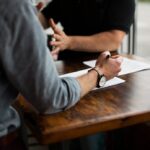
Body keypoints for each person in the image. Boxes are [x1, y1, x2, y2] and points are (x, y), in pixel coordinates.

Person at [0, 0, 123, 149]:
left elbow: (114, 39)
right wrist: (100, 73)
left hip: (103, 79)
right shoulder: (15, 6)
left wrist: (28, 17)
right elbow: (53, 97)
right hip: (72, 76)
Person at [38, 0, 135, 60]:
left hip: (102, 64)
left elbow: (113, 40)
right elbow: (44, 19)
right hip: (67, 63)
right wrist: (26, 14)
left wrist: (69, 42)